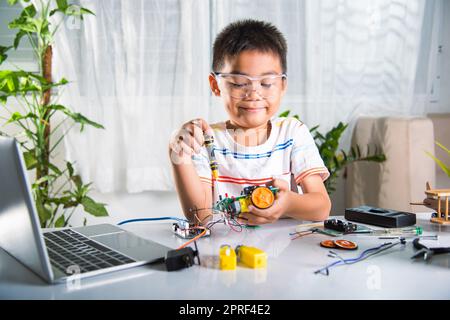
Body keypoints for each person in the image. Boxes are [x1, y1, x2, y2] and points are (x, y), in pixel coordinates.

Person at [169, 19, 331, 225]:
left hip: (287, 251)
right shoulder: (205, 139)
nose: (254, 94)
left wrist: (289, 203)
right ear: (216, 85)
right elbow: (200, 216)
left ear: (282, 85)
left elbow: (321, 207)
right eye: (239, 84)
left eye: (266, 83)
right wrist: (178, 153)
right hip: (227, 251)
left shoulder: (292, 133)